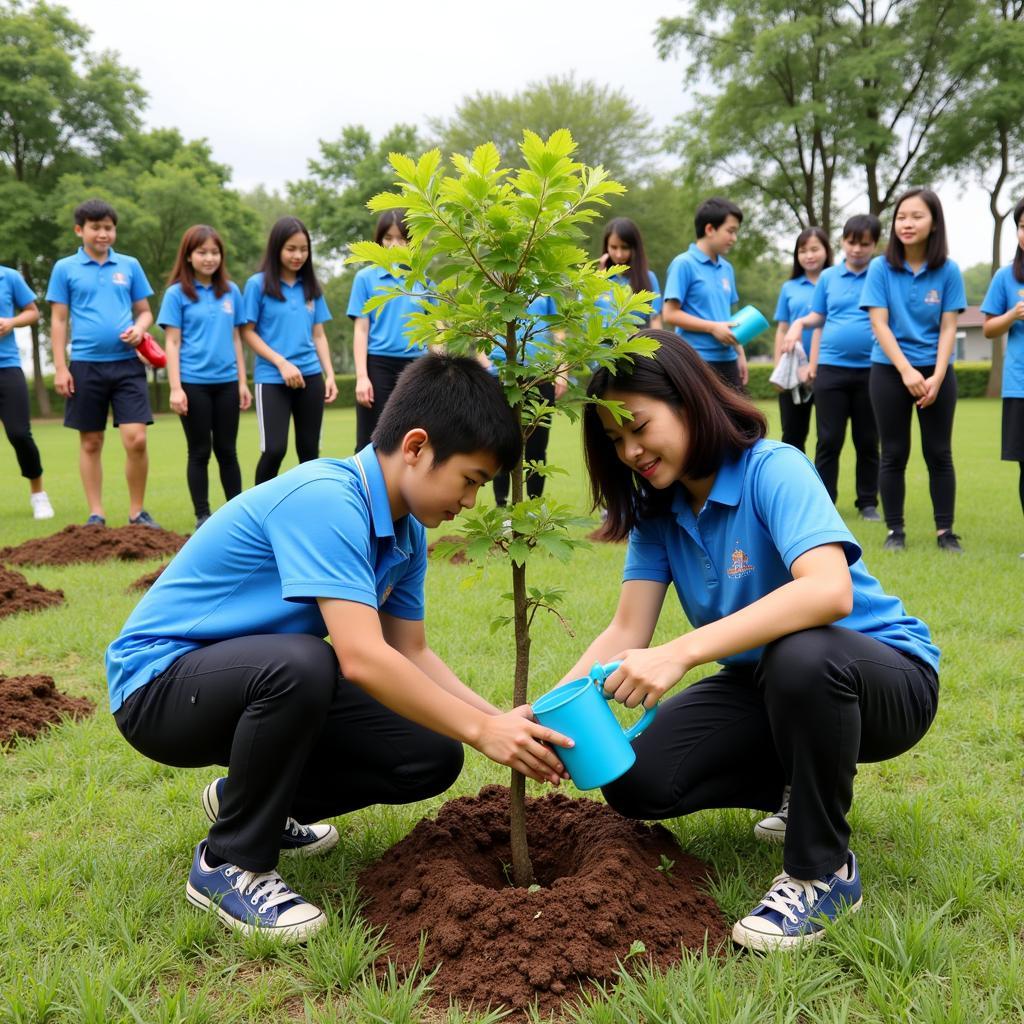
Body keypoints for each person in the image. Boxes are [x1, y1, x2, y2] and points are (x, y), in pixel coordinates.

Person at [106, 354, 574, 943]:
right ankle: (229, 862)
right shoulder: (328, 499)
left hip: (245, 680)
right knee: (306, 661)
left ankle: (247, 802)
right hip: (158, 687)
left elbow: (410, 653)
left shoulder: (405, 532)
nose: (472, 502)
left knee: (428, 751)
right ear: (417, 446)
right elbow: (360, 656)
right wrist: (485, 732)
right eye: (471, 480)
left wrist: (491, 720)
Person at [563, 333, 938, 951]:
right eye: (614, 440)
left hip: (882, 677)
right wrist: (554, 717)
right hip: (768, 684)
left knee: (802, 653)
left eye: (638, 426)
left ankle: (823, 871)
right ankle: (799, 781)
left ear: (686, 401)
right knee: (637, 778)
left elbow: (827, 593)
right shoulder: (658, 511)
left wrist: (682, 651)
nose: (630, 451)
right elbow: (627, 631)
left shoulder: (772, 467)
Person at [860, 188, 966, 553]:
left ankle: (945, 532)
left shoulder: (948, 270)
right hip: (890, 371)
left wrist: (937, 375)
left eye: (916, 216)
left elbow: (949, 326)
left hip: (937, 371)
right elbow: (880, 324)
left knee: (939, 453)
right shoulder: (880, 267)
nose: (907, 223)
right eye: (902, 216)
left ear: (934, 222)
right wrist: (906, 371)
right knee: (893, 452)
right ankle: (895, 531)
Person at [47, 198, 158, 527]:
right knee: (91, 441)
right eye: (95, 228)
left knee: (136, 438)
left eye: (108, 228)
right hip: (84, 365)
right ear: (80, 230)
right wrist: (61, 367)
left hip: (127, 365)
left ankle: (137, 513)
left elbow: (146, 311)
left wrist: (140, 329)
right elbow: (58, 320)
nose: (103, 234)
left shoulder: (129, 266)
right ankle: (96, 514)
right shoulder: (64, 269)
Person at [784, 215, 882, 521]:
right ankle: (825, 501)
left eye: (864, 244)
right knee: (829, 439)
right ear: (842, 242)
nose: (857, 249)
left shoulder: (880, 274)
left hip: (872, 368)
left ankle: (867, 502)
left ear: (874, 245)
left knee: (867, 439)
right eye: (851, 242)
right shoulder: (829, 278)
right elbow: (817, 316)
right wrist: (799, 322)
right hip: (831, 369)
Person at [159, 226, 252, 530]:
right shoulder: (176, 295)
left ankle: (236, 512)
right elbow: (171, 343)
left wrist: (241, 382)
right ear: (188, 256)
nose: (209, 258)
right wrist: (175, 388)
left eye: (214, 252)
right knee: (199, 451)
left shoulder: (231, 292)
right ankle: (203, 516)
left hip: (226, 383)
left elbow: (237, 339)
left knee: (227, 450)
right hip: (192, 383)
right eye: (202, 252)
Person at [241, 217, 337, 485]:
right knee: (274, 450)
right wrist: (281, 363)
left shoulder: (311, 288)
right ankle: (259, 513)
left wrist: (329, 374)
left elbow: (319, 334)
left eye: (303, 249)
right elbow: (247, 331)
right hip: (272, 378)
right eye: (291, 249)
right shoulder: (256, 285)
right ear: (277, 249)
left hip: (310, 377)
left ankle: (307, 514)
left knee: (309, 453)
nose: (298, 255)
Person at [349, 210, 436, 451]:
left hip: (416, 368)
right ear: (379, 240)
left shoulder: (425, 282)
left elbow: (436, 334)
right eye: (388, 238)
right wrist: (361, 376)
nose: (395, 245)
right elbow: (361, 330)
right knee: (371, 441)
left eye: (402, 238)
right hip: (378, 366)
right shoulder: (365, 278)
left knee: (412, 439)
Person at [662, 197, 748, 389]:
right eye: (730, 231)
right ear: (710, 229)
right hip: (696, 361)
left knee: (738, 419)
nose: (734, 238)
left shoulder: (727, 268)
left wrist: (740, 354)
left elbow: (728, 316)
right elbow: (669, 314)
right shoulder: (683, 264)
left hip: (728, 360)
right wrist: (712, 327)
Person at [485, 295, 562, 508]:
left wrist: (561, 370)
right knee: (501, 442)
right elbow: (484, 326)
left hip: (540, 373)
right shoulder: (497, 278)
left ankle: (534, 507)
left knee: (538, 445)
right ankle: (502, 507)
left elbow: (556, 328)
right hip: (502, 373)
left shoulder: (545, 288)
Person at [980, 195, 1024, 560]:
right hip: (1020, 383)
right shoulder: (1006, 276)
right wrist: (1012, 314)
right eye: (1023, 226)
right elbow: (989, 328)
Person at [0, 264, 53, 519]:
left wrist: (11, 321)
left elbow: (33, 313)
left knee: (19, 433)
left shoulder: (8, 277)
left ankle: (38, 494)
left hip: (7, 366)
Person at [772, 227, 832, 452]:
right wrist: (779, 365)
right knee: (793, 434)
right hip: (793, 370)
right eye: (803, 250)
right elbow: (782, 328)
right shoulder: (789, 287)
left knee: (827, 436)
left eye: (815, 249)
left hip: (828, 367)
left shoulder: (833, 281)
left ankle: (823, 486)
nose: (809, 255)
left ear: (827, 251)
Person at [596, 217, 662, 329]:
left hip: (634, 343)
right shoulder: (597, 279)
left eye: (624, 248)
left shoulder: (648, 278)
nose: (619, 254)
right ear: (606, 247)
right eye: (613, 247)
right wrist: (599, 276)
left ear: (634, 248)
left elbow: (655, 320)